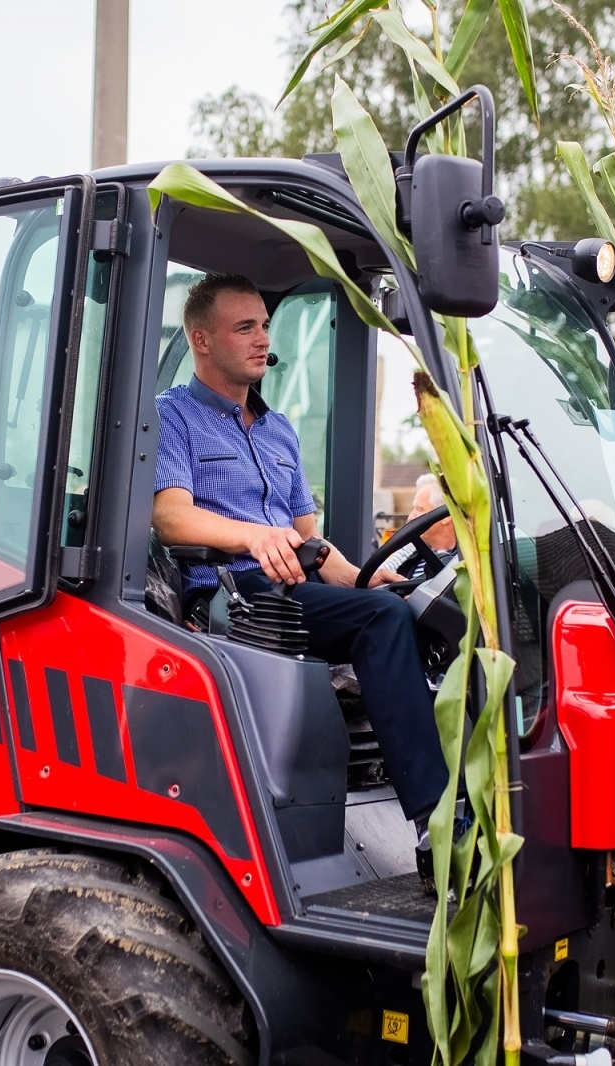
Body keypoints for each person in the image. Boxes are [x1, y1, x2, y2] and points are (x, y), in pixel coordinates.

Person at [152, 273, 448, 828]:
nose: (263, 338)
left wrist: (366, 577)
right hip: (230, 597)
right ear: (202, 340)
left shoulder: (279, 430)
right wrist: (254, 535)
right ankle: (437, 820)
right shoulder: (172, 416)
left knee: (414, 609)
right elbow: (170, 516)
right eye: (245, 328)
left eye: (264, 325)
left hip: (290, 591)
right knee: (380, 622)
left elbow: (310, 542)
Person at [378, 473, 459, 579]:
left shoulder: (464, 559)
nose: (410, 517)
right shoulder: (410, 549)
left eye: (419, 509)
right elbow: (378, 575)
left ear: (445, 516)